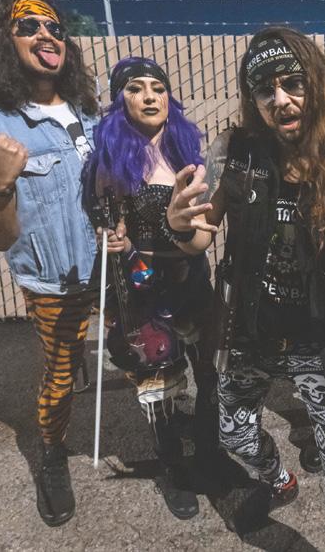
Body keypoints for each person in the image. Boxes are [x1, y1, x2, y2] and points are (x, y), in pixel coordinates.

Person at [165, 26, 325, 551]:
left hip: (322, 339)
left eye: (292, 83)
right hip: (252, 331)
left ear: (317, 84)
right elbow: (201, 235)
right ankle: (279, 481)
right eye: (265, 89)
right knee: (234, 434)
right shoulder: (238, 152)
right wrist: (180, 228)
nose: (279, 99)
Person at [0, 0, 99, 526]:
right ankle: (53, 453)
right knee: (59, 381)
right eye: (29, 26)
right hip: (54, 281)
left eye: (56, 28)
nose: (46, 35)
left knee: (147, 354)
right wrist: (0, 182)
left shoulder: (91, 114)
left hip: (113, 267)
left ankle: (168, 439)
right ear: (4, 42)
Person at [81, 56, 221, 519]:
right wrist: (112, 238)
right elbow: (103, 218)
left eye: (158, 88)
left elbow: (205, 222)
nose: (149, 97)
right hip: (142, 285)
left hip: (192, 279)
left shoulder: (186, 149)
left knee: (209, 372)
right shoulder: (109, 161)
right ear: (120, 100)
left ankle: (209, 453)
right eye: (136, 88)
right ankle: (173, 468)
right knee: (157, 380)